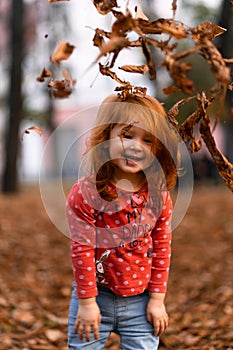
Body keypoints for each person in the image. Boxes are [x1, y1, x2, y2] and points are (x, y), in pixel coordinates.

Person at [66, 92, 180, 349]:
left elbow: (162, 247)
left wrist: (157, 299)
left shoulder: (158, 195)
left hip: (141, 300)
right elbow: (82, 248)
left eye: (147, 140)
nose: (135, 146)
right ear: (106, 136)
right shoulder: (86, 192)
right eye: (127, 135)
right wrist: (86, 304)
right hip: (95, 296)